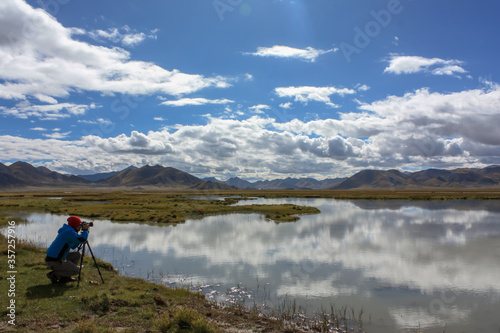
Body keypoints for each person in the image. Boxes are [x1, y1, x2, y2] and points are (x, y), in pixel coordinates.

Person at [45, 216, 89, 284]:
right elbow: (82, 239)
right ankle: (54, 275)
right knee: (78, 270)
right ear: (75, 225)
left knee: (77, 255)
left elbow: (73, 246)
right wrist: (85, 231)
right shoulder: (69, 232)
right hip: (55, 260)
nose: (80, 227)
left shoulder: (68, 230)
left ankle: (66, 277)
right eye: (79, 225)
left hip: (57, 257)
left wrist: (83, 234)